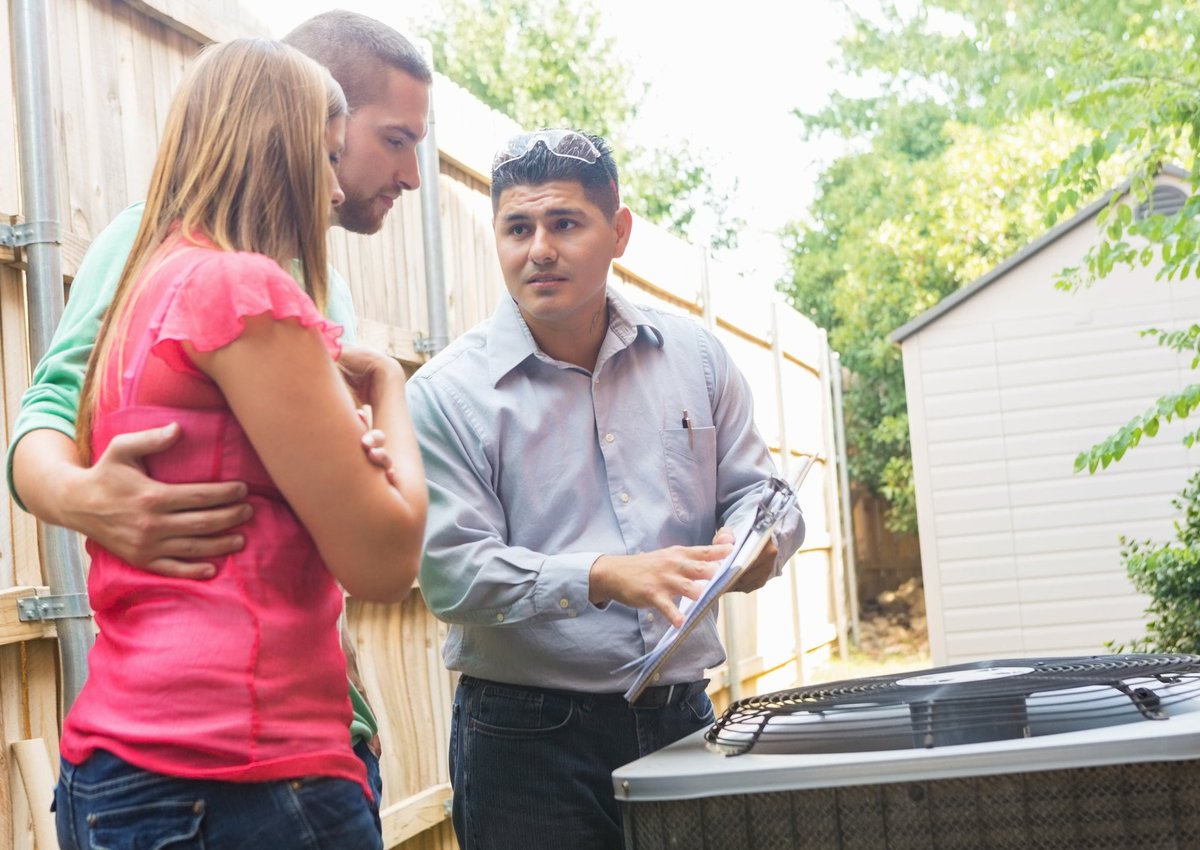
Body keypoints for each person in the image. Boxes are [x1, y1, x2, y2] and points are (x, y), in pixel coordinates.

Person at [5, 9, 432, 806]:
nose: (409, 175)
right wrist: (84, 496)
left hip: (276, 711)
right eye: (394, 140)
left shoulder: (306, 274)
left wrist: (353, 442)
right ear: (302, 122)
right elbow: (47, 412)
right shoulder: (173, 255)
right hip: (238, 751)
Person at [407, 129, 807, 850]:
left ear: (618, 231)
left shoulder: (697, 358)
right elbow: (452, 576)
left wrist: (757, 545)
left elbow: (766, 495)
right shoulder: (446, 394)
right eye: (517, 228)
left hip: (682, 716)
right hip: (523, 741)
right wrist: (600, 576)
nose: (539, 250)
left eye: (564, 223)